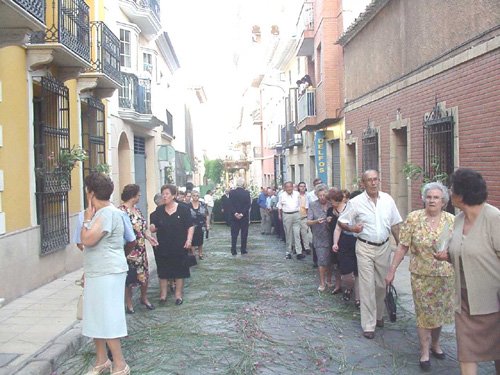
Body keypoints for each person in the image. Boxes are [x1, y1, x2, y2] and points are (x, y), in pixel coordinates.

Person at [434, 168, 500, 375]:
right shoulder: (459, 220)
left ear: (461, 195)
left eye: (452, 189)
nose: (449, 193)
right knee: (467, 353)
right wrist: (449, 256)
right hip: (464, 300)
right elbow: (462, 252)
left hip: (493, 302)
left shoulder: (494, 218)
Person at [385, 182, 454, 372]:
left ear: (443, 201)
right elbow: (403, 246)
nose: (431, 200)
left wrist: (449, 256)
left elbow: (457, 249)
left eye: (436, 197)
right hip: (421, 276)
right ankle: (424, 351)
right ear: (424, 198)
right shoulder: (414, 218)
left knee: (439, 313)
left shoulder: (451, 220)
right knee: (424, 314)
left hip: (444, 275)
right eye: (429, 197)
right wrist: (392, 269)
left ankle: (436, 344)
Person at [338, 170, 402, 339]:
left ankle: (379, 315)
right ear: (363, 183)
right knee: (366, 285)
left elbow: (395, 224)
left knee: (382, 284)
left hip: (384, 247)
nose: (373, 183)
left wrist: (402, 246)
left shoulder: (388, 200)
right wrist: (353, 229)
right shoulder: (355, 202)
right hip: (364, 247)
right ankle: (368, 324)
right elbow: (342, 221)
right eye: (369, 180)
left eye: (376, 179)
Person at [79, 172, 130, 375]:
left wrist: (85, 220)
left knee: (108, 317)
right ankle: (102, 360)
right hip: (97, 271)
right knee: (95, 317)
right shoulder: (102, 213)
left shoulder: (107, 213)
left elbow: (88, 240)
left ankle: (120, 363)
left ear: (90, 192)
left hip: (109, 272)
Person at [150, 184, 194, 306]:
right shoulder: (159, 210)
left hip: (179, 244)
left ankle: (178, 295)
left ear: (174, 195)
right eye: (163, 194)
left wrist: (189, 240)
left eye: (167, 194)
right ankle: (163, 295)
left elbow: (190, 226)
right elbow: (153, 226)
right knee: (163, 270)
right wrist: (152, 227)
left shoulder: (183, 209)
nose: (164, 196)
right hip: (163, 245)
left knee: (180, 270)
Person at [119, 184, 158, 314]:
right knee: (129, 277)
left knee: (144, 276)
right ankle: (129, 303)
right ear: (132, 196)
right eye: (138, 194)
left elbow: (142, 228)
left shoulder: (137, 210)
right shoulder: (122, 211)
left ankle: (143, 297)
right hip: (129, 249)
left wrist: (148, 237)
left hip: (141, 249)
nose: (140, 196)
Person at [332, 189, 362, 308]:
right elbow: (338, 228)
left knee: (359, 272)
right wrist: (335, 243)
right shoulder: (347, 210)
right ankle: (349, 288)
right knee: (346, 272)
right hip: (346, 241)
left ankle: (358, 299)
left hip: (360, 242)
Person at [307, 184, 334, 291]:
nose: (322, 197)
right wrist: (316, 221)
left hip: (331, 236)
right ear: (317, 195)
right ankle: (322, 282)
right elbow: (308, 221)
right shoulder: (313, 205)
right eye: (320, 195)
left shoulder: (331, 204)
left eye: (324, 195)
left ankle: (329, 280)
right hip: (319, 236)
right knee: (322, 260)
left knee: (331, 260)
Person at [278, 181, 304, 260]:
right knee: (288, 234)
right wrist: (279, 215)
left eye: (290, 187)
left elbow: (300, 204)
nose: (289, 188)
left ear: (292, 187)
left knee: (297, 233)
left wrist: (300, 214)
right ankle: (288, 252)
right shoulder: (282, 195)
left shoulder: (297, 194)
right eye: (287, 187)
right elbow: (280, 206)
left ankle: (299, 252)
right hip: (287, 215)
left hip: (296, 214)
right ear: (285, 188)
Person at [228, 178, 251, 255]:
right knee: (244, 234)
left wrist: (235, 213)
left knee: (234, 234)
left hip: (234, 217)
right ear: (243, 184)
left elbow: (230, 204)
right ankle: (243, 249)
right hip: (244, 217)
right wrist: (242, 214)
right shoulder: (246, 193)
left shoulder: (232, 193)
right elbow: (248, 205)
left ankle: (233, 249)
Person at [307, 178, 323, 267]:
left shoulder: (326, 195)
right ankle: (316, 260)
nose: (319, 185)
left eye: (320, 183)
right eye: (317, 184)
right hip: (314, 220)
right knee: (316, 240)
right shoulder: (310, 195)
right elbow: (308, 207)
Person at [189, 190, 209, 260]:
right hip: (192, 225)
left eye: (197, 196)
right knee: (192, 240)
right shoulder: (188, 205)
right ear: (191, 196)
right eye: (194, 195)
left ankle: (200, 254)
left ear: (199, 196)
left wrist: (207, 225)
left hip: (201, 225)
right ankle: (193, 254)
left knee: (200, 240)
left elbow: (206, 215)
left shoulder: (202, 204)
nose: (195, 197)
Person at [297, 182, 311, 254]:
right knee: (296, 234)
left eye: (304, 186)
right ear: (298, 187)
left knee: (304, 233)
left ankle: (307, 248)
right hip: (297, 216)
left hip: (304, 216)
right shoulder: (296, 195)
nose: (302, 188)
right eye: (301, 186)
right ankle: (297, 248)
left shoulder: (308, 195)